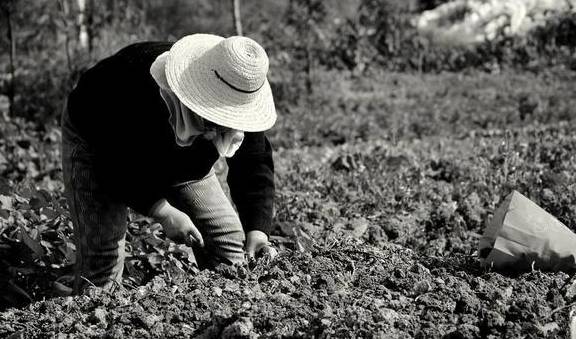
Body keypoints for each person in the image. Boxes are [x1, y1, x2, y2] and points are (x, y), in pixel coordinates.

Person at [61, 34, 277, 292]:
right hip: (99, 139)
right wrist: (162, 211)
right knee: (103, 264)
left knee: (228, 244)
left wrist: (258, 230)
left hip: (181, 159)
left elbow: (254, 163)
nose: (223, 126)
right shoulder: (139, 88)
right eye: (218, 116)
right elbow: (114, 162)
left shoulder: (242, 93)